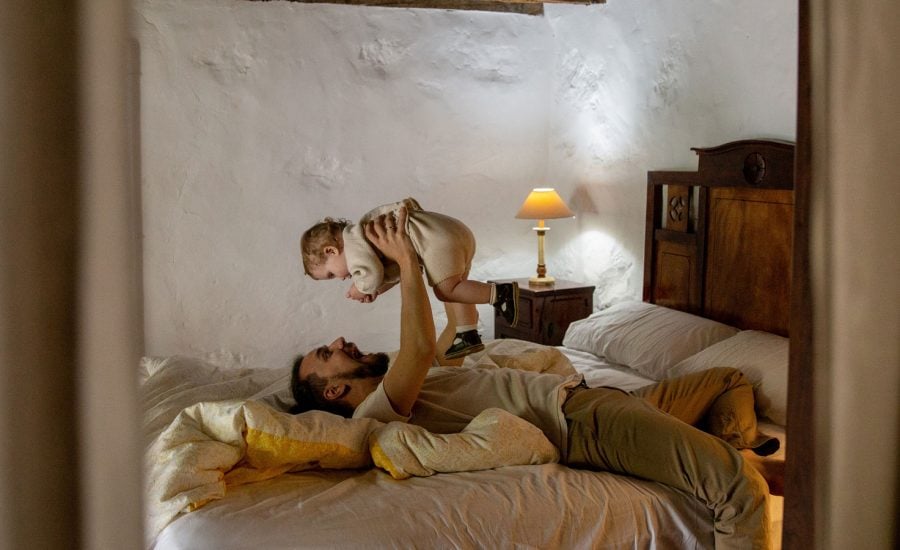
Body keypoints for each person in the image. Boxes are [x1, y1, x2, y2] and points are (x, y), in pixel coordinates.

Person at [292, 207, 773, 549]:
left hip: (595, 398)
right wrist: (408, 263)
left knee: (728, 377)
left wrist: (441, 264)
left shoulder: (415, 378)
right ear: (333, 390)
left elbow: (460, 335)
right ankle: (728, 454)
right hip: (584, 422)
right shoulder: (375, 411)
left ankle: (731, 440)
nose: (338, 341)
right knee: (739, 490)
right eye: (326, 353)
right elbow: (418, 347)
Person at [300, 197, 518, 361]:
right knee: (458, 289)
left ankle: (500, 294)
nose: (339, 279)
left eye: (330, 274)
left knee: (446, 291)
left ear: (331, 250)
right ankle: (467, 333)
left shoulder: (353, 245)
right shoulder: (366, 242)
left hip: (436, 240)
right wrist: (377, 289)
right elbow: (396, 272)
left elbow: (372, 275)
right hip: (451, 232)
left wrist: (362, 288)